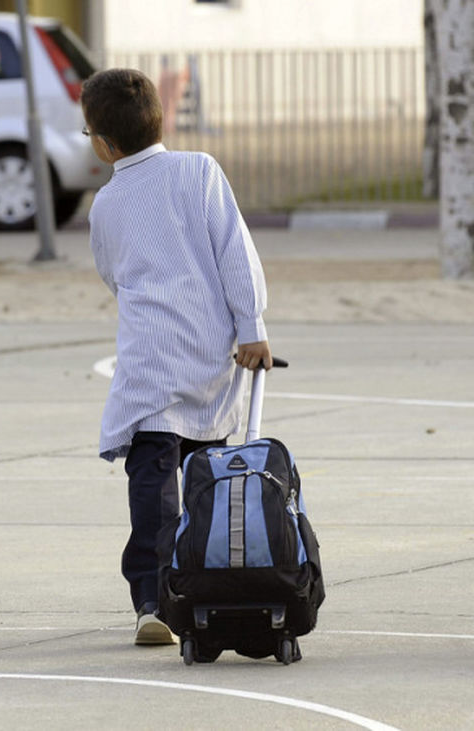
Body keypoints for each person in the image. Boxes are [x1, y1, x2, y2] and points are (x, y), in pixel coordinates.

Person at [80, 68, 271, 646]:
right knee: (206, 482)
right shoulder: (200, 170)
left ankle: (152, 599)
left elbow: (112, 274)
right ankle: (203, 589)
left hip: (147, 363)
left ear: (105, 143)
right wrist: (251, 326)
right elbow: (235, 251)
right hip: (211, 359)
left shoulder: (107, 203)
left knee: (152, 486)